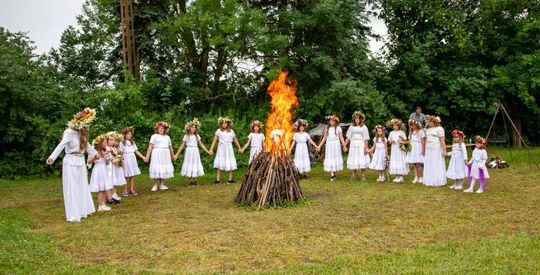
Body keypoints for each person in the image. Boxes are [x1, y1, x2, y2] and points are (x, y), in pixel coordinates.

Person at [46, 107, 98, 222]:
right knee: (72, 187)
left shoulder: (82, 133)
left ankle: (83, 211)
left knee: (82, 186)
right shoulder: (69, 132)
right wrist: (52, 157)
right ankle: (74, 214)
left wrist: (95, 154)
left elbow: (87, 146)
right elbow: (61, 145)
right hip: (70, 162)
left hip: (80, 161)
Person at [174, 118, 211, 187]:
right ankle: (190, 181)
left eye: (195, 127)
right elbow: (182, 145)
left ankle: (195, 180)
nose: (193, 129)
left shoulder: (197, 136)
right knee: (189, 164)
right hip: (189, 151)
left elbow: (201, 144)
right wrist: (176, 154)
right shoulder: (186, 136)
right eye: (192, 127)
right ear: (189, 128)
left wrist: (207, 151)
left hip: (195, 151)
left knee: (195, 164)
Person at [209, 117, 242, 184]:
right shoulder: (219, 131)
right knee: (219, 162)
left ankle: (230, 179)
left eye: (225, 123)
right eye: (223, 123)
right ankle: (217, 180)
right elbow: (214, 140)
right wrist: (211, 149)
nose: (224, 124)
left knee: (230, 161)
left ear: (228, 124)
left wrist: (239, 147)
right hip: (221, 148)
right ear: (221, 124)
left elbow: (235, 139)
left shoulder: (231, 131)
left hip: (229, 148)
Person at [145, 121, 175, 191]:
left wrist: (173, 156)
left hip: (165, 154)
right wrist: (147, 156)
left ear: (165, 129)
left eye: (162, 128)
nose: (161, 129)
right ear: (157, 129)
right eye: (160, 128)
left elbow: (170, 147)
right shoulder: (154, 136)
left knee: (164, 168)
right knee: (156, 168)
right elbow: (150, 147)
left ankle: (162, 184)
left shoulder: (167, 137)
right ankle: (155, 185)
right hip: (156, 154)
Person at [88, 134, 113, 211]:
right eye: (105, 142)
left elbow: (106, 162)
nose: (106, 144)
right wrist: (95, 157)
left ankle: (103, 204)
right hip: (98, 170)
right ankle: (100, 205)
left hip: (104, 169)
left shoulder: (103, 151)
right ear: (100, 143)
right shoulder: (94, 151)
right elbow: (88, 161)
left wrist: (107, 158)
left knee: (104, 188)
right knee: (100, 189)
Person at [318, 115, 346, 181]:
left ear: (335, 121)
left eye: (333, 121)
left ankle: (334, 173)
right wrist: (319, 145)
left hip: (336, 144)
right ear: (329, 121)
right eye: (330, 121)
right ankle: (332, 174)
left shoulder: (338, 128)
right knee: (330, 157)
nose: (331, 122)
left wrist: (344, 145)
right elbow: (324, 138)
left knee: (335, 158)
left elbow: (341, 137)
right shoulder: (327, 129)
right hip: (329, 144)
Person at [120, 127, 146, 196]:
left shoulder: (132, 142)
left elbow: (136, 151)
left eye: (130, 134)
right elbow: (121, 152)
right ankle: (125, 190)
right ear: (124, 134)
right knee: (125, 174)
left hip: (132, 158)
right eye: (128, 134)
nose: (129, 135)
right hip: (125, 159)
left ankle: (131, 189)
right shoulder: (122, 143)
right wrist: (121, 160)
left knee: (132, 175)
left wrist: (143, 157)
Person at [344, 111, 370, 181]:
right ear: (354, 119)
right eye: (356, 118)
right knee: (353, 160)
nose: (357, 120)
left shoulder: (364, 127)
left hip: (361, 145)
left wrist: (366, 147)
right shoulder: (351, 127)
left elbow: (366, 138)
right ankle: (353, 175)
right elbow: (348, 137)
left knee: (362, 160)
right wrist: (344, 145)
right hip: (353, 145)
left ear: (361, 119)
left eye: (358, 118)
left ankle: (363, 175)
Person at [422, 115, 447, 187]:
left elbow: (442, 141)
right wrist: (424, 149)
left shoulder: (439, 129)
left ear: (434, 122)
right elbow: (426, 139)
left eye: (430, 122)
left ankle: (438, 180)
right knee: (430, 163)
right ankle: (430, 179)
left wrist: (444, 150)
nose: (429, 123)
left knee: (436, 163)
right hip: (429, 149)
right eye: (428, 121)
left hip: (436, 148)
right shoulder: (427, 130)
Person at [387, 118, 409, 183]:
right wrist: (391, 141)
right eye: (394, 125)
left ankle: (401, 176)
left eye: (396, 125)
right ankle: (397, 176)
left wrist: (401, 141)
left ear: (399, 126)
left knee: (400, 159)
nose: (395, 127)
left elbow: (405, 140)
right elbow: (389, 141)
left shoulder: (402, 132)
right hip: (394, 148)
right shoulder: (391, 133)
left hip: (400, 148)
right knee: (395, 160)